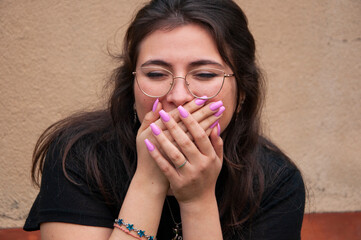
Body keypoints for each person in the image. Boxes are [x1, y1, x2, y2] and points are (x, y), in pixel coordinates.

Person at [24, 0, 305, 239]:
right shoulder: (80, 154)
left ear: (243, 91)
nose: (178, 96)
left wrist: (197, 200)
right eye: (156, 74)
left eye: (205, 74)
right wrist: (149, 179)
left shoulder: (276, 181)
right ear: (131, 84)